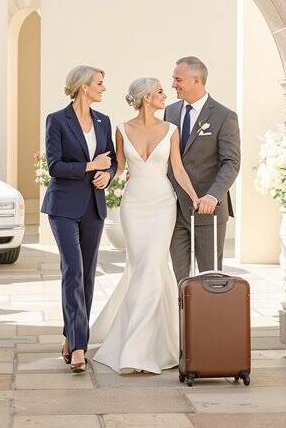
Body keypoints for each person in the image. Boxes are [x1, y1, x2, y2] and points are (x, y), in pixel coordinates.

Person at [91, 77, 200, 374]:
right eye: (160, 91)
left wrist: (195, 197)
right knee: (142, 268)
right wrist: (106, 176)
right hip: (134, 205)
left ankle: (138, 350)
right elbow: (120, 166)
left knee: (152, 266)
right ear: (147, 97)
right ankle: (146, 345)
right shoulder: (122, 129)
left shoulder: (171, 130)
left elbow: (178, 170)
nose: (166, 95)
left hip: (162, 204)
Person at [41, 65, 116, 373]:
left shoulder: (103, 120)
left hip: (93, 207)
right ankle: (79, 348)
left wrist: (107, 175)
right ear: (84, 86)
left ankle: (71, 336)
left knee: (87, 276)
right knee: (72, 269)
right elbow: (54, 166)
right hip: (63, 207)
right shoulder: (57, 120)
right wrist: (89, 166)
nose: (103, 88)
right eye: (99, 83)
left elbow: (111, 159)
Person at [165, 56, 241, 282]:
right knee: (180, 279)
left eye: (178, 79)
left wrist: (213, 196)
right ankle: (181, 308)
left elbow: (231, 162)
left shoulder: (224, 116)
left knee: (209, 278)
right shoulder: (170, 112)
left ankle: (208, 310)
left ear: (196, 80)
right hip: (174, 209)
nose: (173, 85)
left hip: (207, 210)